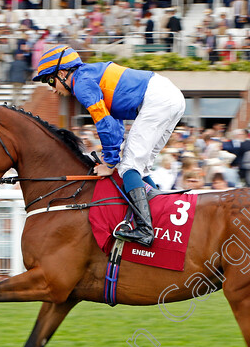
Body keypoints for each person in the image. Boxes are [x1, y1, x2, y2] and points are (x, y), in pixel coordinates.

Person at [32, 45, 185, 247]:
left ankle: (146, 230)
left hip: (158, 100)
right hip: (170, 97)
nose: (52, 88)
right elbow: (114, 124)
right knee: (142, 166)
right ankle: (159, 222)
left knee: (128, 168)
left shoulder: (82, 83)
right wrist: (110, 154)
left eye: (49, 80)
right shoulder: (89, 75)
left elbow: (103, 122)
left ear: (62, 73)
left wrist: (111, 162)